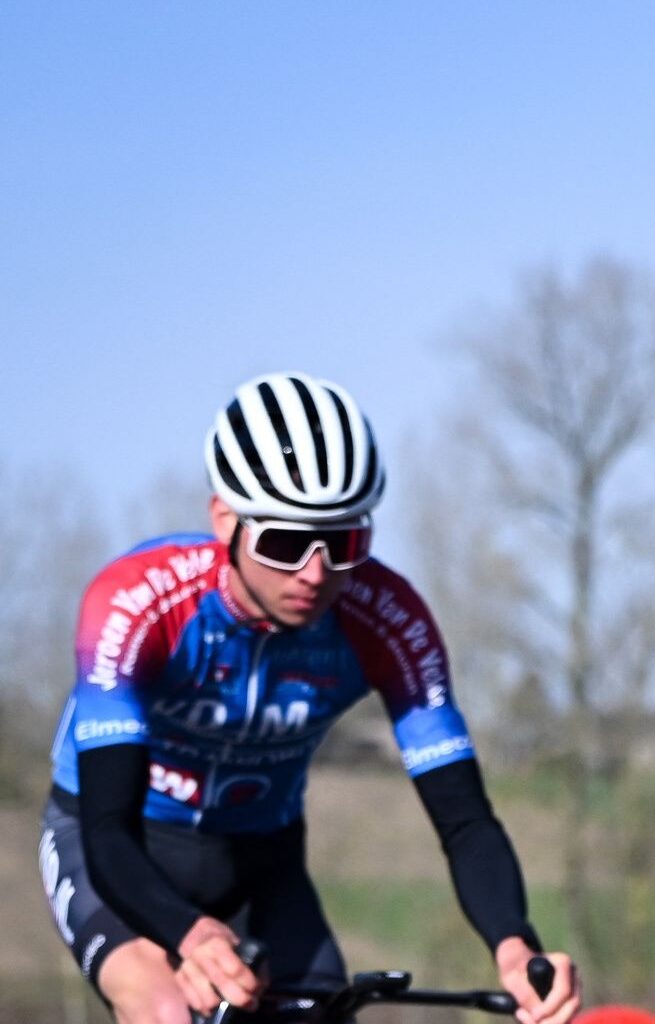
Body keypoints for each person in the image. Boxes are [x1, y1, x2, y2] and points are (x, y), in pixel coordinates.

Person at [38, 372, 578, 1024]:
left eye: (344, 542)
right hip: (126, 850)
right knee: (162, 1008)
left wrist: (515, 943)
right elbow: (106, 832)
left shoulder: (388, 620)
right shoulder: (138, 606)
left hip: (264, 855)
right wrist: (187, 935)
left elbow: (464, 821)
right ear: (225, 520)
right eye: (288, 542)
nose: (316, 574)